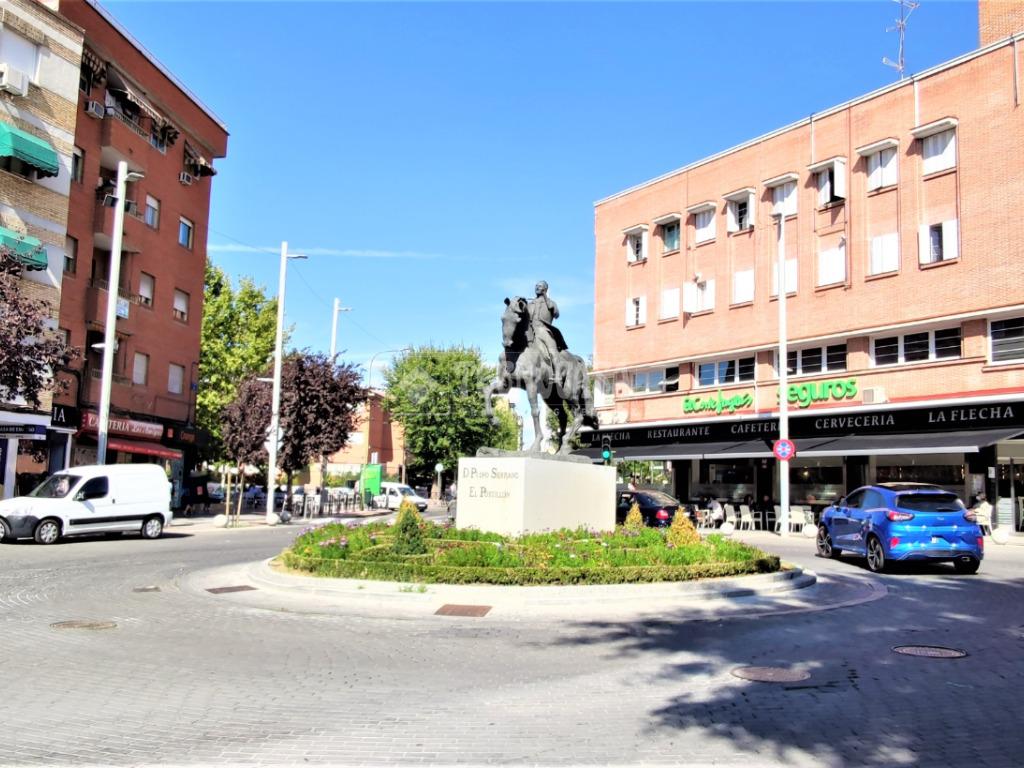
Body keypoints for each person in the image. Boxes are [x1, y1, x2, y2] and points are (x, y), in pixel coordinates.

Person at [527, 281, 565, 381]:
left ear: (545, 289)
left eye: (539, 286)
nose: (537, 287)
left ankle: (558, 375)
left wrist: (546, 299)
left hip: (544, 330)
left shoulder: (550, 303)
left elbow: (556, 314)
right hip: (531, 330)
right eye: (536, 286)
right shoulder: (530, 304)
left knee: (552, 351)